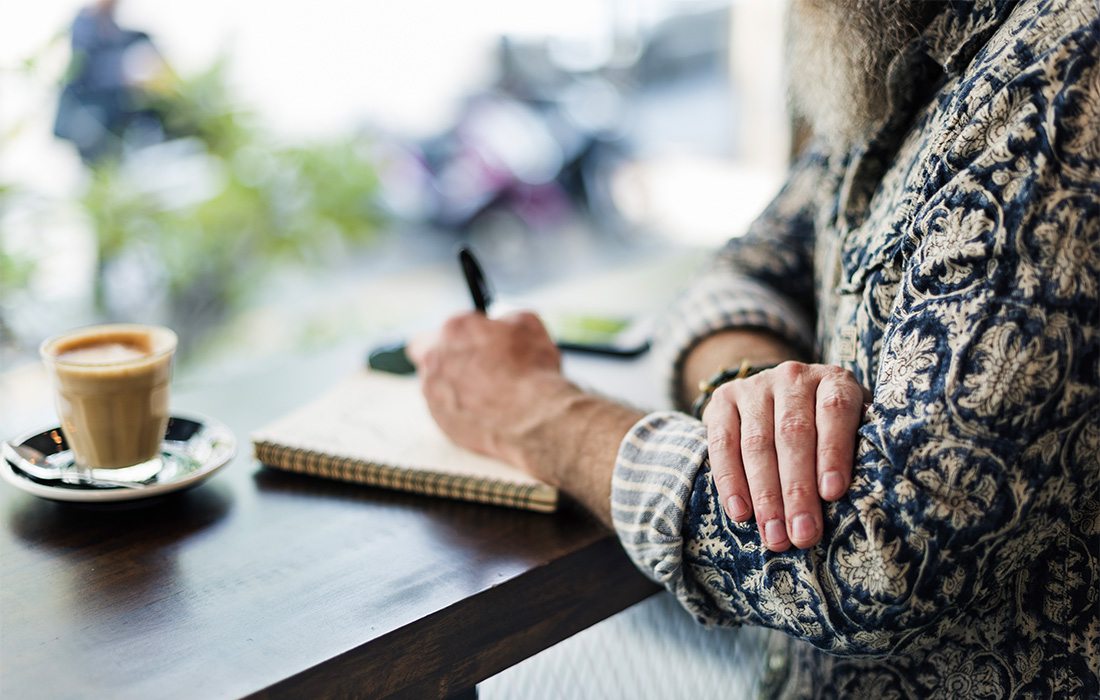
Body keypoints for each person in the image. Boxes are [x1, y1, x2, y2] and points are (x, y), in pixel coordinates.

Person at [410, 0, 1100, 696]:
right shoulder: (904, 45)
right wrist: (750, 387)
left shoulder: (1069, 65)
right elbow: (752, 265)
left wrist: (541, 415)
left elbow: (881, 558)